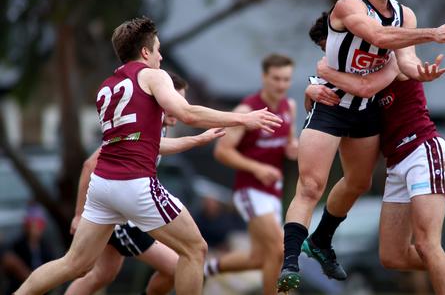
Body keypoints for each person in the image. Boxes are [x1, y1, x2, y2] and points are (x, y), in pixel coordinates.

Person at [15, 16, 283, 295]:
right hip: (134, 184)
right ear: (145, 52)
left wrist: (196, 140)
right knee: (195, 249)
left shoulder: (108, 86)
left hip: (103, 186)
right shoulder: (153, 75)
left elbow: (136, 140)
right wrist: (243, 119)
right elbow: (186, 113)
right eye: (157, 49)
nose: (161, 56)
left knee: (75, 264)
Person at [278, 0, 445, 291]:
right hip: (332, 108)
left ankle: (320, 241)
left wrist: (421, 71)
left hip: (365, 114)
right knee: (311, 185)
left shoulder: (405, 14)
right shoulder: (348, 6)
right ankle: (289, 264)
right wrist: (432, 35)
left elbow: (404, 62)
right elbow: (377, 35)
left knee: (359, 183)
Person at [307, 13, 445, 295]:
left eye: (330, 46)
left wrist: (421, 68)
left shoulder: (384, 57)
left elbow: (407, 63)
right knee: (392, 256)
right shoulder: (348, 74)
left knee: (428, 244)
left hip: (422, 151)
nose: (329, 55)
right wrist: (311, 89)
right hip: (396, 163)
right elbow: (319, 108)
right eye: (323, 51)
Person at [65, 72, 223, 295]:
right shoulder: (140, 125)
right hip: (121, 213)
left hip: (127, 209)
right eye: (176, 100)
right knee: (178, 265)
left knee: (102, 274)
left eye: (183, 101)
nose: (180, 106)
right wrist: (79, 213)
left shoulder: (160, 127)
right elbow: (89, 165)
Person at [210, 54, 297, 295]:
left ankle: (207, 268)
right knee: (279, 250)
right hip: (250, 189)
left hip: (273, 191)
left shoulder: (290, 106)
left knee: (259, 257)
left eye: (286, 79)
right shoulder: (247, 110)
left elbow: (288, 144)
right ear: (264, 77)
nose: (281, 85)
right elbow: (222, 151)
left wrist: (294, 148)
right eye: (276, 78)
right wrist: (257, 168)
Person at [0, 204, 53, 295]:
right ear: (26, 225)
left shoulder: (46, 247)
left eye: (40, 224)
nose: (36, 228)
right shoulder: (17, 245)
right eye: (32, 224)